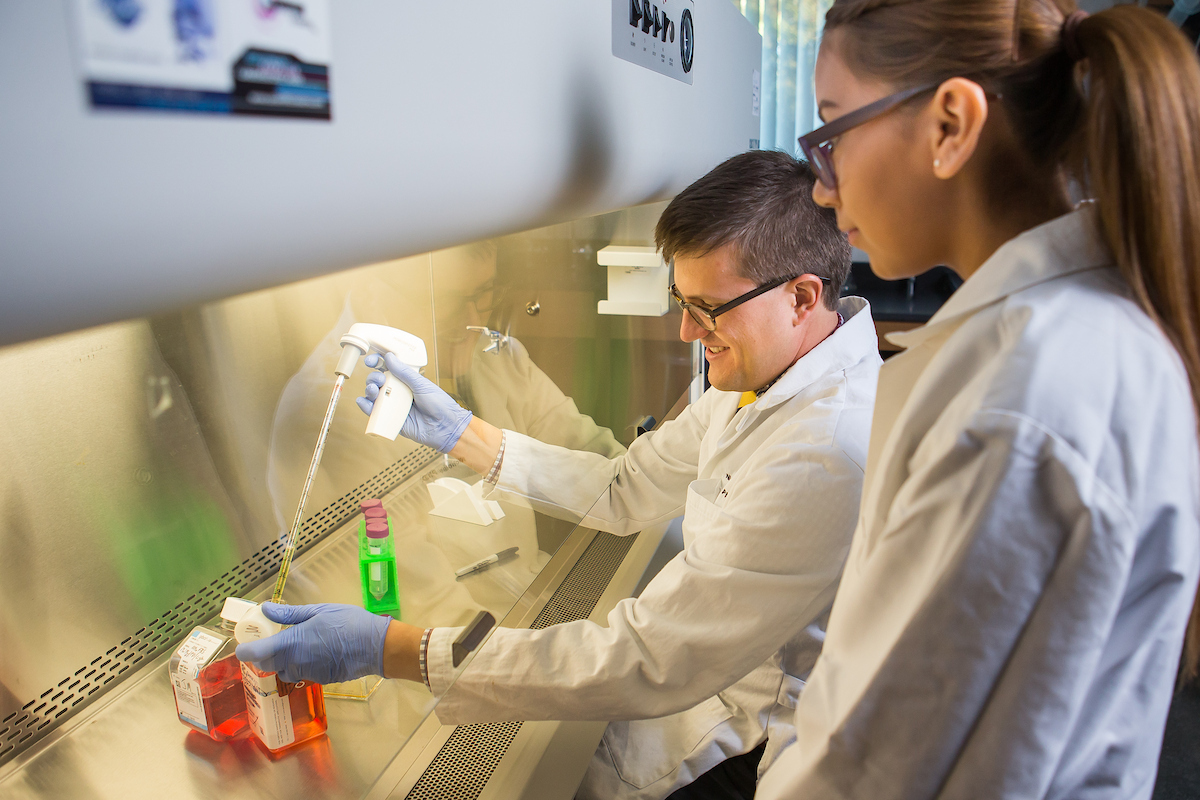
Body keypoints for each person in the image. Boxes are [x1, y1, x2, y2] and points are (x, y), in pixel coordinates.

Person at [236, 150, 882, 800]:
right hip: (691, 695)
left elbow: (648, 658)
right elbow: (625, 487)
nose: (688, 328)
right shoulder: (762, 372)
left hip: (746, 746)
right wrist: (467, 434)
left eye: (707, 307)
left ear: (801, 297)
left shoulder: (824, 449)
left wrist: (393, 649)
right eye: (680, 300)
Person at [753, 3, 1200, 798]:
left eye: (832, 135)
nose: (824, 191)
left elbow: (868, 772)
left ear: (951, 124)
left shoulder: (1019, 397)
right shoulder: (1075, 336)